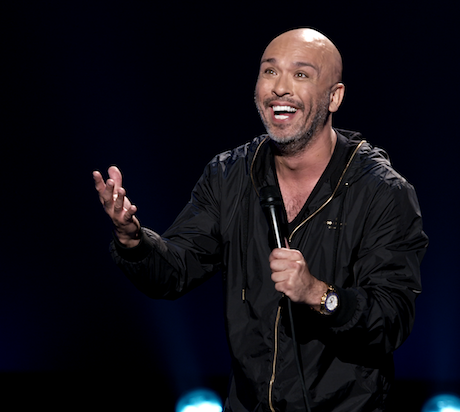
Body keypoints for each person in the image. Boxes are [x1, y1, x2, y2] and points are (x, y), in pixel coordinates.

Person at [93, 28, 428, 412]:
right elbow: (176, 270)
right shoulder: (229, 175)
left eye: (300, 74)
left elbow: (391, 319)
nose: (280, 88)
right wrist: (133, 241)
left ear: (334, 97)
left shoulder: (382, 192)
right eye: (270, 71)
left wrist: (319, 295)